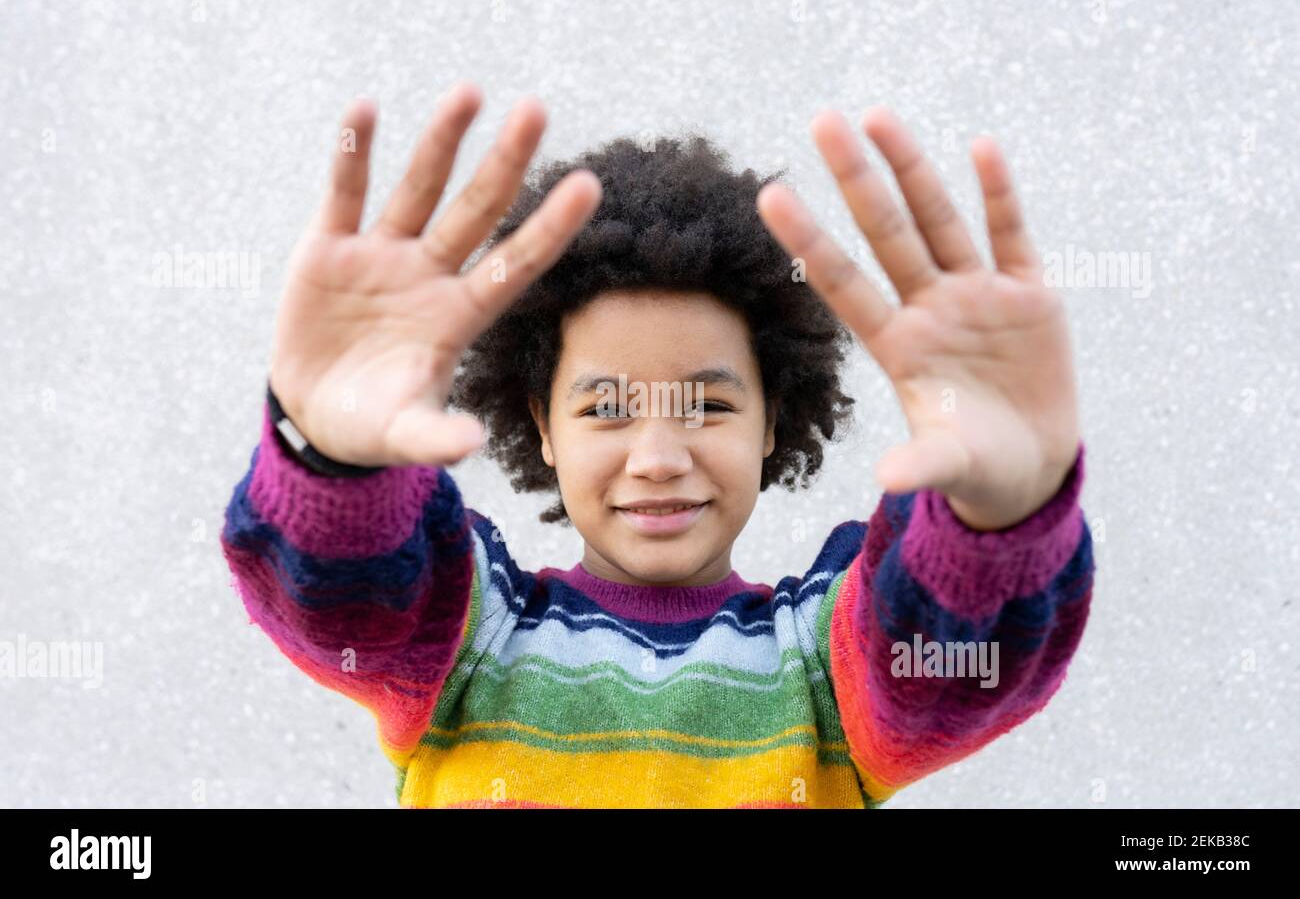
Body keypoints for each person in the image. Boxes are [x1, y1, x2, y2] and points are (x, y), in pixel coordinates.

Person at [220, 80, 1094, 808]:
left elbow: (948, 670)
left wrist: (998, 513)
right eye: (606, 409)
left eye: (708, 405)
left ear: (773, 424)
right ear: (542, 427)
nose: (659, 456)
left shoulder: (828, 672)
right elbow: (348, 596)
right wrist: (334, 461)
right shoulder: (464, 639)